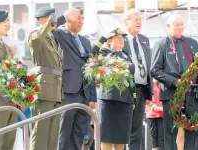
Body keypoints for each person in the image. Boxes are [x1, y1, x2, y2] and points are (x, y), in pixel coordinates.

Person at [150, 13, 198, 150]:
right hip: (172, 93)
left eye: (181, 24)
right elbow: (154, 70)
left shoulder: (193, 43)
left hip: (192, 93)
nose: (179, 27)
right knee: (171, 131)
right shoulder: (161, 44)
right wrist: (175, 81)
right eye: (176, 25)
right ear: (168, 26)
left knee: (192, 130)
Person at [52, 8, 96, 150]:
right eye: (77, 17)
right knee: (64, 131)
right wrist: (64, 17)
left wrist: (93, 96)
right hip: (68, 90)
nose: (80, 21)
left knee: (79, 133)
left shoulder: (86, 41)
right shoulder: (59, 34)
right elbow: (48, 27)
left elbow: (91, 68)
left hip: (85, 93)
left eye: (82, 18)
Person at [93, 28, 135, 150]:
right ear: (109, 41)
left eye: (122, 38)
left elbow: (131, 80)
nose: (121, 40)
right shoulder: (104, 52)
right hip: (109, 99)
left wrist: (134, 98)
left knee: (121, 137)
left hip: (126, 100)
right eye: (118, 38)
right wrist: (102, 38)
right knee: (107, 136)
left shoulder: (127, 55)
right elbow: (91, 54)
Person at [28, 7, 62, 150]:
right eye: (49, 18)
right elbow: (38, 37)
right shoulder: (35, 36)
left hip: (56, 90)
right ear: (41, 20)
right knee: (40, 130)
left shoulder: (52, 39)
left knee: (53, 133)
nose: (52, 21)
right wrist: (47, 24)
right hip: (43, 89)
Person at [122, 9, 152, 150]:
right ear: (126, 22)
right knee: (124, 126)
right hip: (126, 89)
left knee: (137, 127)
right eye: (135, 19)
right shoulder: (120, 38)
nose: (139, 22)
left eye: (140, 19)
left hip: (141, 88)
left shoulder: (144, 39)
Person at [0, 8, 24, 150]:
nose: (8, 24)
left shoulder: (5, 46)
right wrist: (12, 97)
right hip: (1, 100)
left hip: (10, 100)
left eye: (8, 21)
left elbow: (12, 72)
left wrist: (20, 96)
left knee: (9, 141)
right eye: (4, 21)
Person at [145, 79, 164, 150]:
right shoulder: (149, 83)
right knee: (154, 139)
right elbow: (146, 98)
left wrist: (159, 108)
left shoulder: (164, 83)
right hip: (152, 114)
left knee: (162, 139)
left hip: (162, 114)